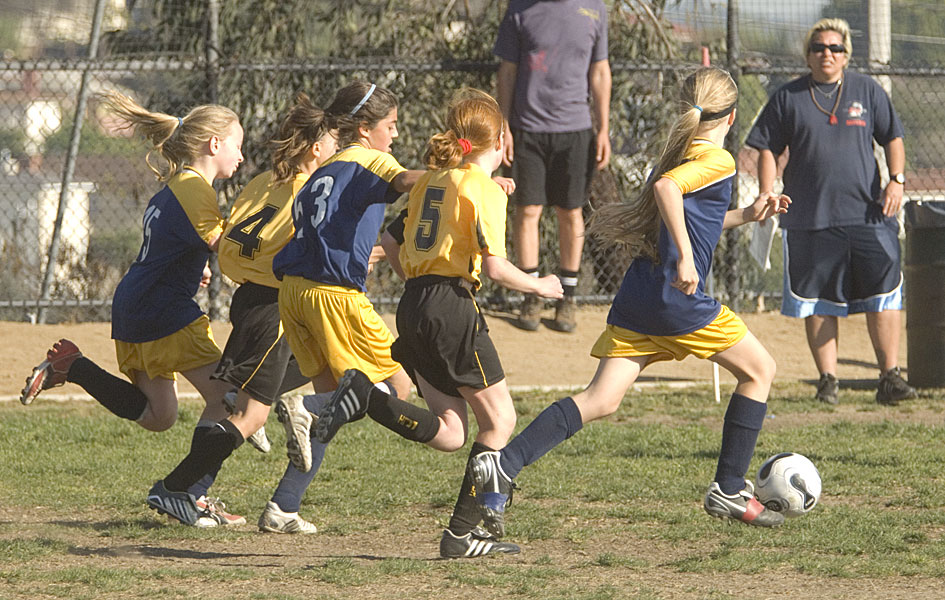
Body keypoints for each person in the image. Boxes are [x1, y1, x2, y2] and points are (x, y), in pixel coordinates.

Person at [462, 67, 792, 544]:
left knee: (600, 399)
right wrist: (685, 259)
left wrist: (745, 215)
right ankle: (727, 488)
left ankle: (504, 465)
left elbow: (692, 216)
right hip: (676, 299)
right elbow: (667, 192)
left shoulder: (681, 152)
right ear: (732, 117)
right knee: (761, 370)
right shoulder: (716, 159)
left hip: (641, 294)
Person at [314, 89, 563, 558]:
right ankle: (465, 533)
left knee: (452, 432)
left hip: (414, 304)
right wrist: (540, 285)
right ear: (500, 141)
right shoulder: (481, 188)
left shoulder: (433, 180)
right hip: (451, 307)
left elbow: (391, 241)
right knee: (500, 421)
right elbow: (495, 267)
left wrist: (420, 282)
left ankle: (367, 397)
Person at [19, 91, 245, 524]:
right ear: (214, 143)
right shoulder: (196, 189)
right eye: (237, 143)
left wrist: (192, 268)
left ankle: (74, 366)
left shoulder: (172, 189)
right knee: (229, 400)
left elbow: (171, 247)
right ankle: (189, 493)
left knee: (160, 415)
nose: (241, 154)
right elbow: (228, 247)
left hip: (136, 304)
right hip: (164, 310)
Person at [144, 92, 338, 531]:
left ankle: (269, 496)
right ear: (315, 148)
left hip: (251, 299)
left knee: (320, 372)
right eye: (332, 142)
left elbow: (233, 238)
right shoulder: (311, 191)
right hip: (275, 305)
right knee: (252, 416)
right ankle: (177, 487)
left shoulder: (263, 182)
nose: (336, 150)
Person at [745, 18, 916, 407]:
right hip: (810, 217)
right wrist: (767, 192)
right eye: (819, 47)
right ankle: (828, 381)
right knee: (818, 301)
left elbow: (893, 137)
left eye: (835, 48)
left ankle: (889, 378)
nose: (827, 53)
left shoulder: (867, 90)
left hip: (868, 214)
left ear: (846, 55)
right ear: (808, 55)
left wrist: (897, 180)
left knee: (884, 293)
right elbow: (767, 147)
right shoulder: (788, 97)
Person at [272, 81, 428, 473]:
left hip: (294, 293)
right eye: (390, 125)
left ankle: (285, 501)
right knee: (398, 385)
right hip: (333, 296)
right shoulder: (368, 158)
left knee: (330, 411)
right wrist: (461, 179)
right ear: (364, 129)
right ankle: (302, 404)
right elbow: (405, 180)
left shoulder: (324, 170)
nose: (395, 134)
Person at [494, 0, 611, 333]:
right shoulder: (519, 9)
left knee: (570, 212)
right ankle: (531, 294)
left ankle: (566, 297)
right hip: (526, 130)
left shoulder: (595, 9)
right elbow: (507, 72)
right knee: (527, 211)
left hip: (576, 131)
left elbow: (600, 71)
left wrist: (604, 129)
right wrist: (504, 126)